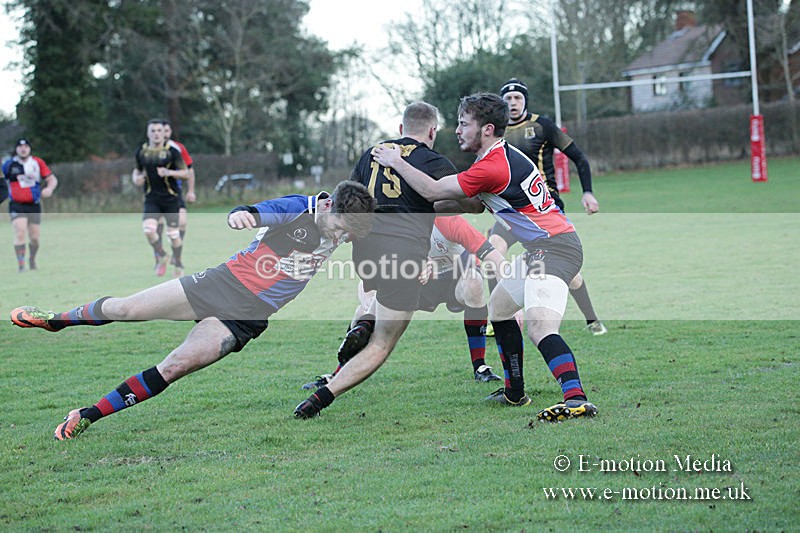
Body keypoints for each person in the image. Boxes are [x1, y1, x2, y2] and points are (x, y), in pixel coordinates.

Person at [9, 181, 376, 440]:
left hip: (244, 317)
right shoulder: (298, 208)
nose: (340, 238)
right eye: (339, 229)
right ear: (328, 206)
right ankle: (56, 320)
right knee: (126, 308)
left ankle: (87, 415)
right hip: (219, 284)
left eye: (346, 234)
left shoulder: (347, 220)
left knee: (174, 367)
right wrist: (243, 215)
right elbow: (260, 211)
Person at [371, 92, 598, 422]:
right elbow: (475, 205)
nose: (457, 130)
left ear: (487, 129)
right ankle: (515, 392)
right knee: (501, 309)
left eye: (464, 124)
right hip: (542, 248)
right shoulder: (495, 158)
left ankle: (576, 399)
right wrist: (420, 208)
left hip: (555, 248)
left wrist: (397, 161)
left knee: (540, 327)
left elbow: (434, 191)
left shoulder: (492, 166)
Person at [293, 101, 481, 419]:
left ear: (401, 128)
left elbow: (349, 200)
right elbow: (471, 203)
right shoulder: (434, 161)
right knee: (382, 344)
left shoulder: (372, 153)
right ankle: (319, 399)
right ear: (432, 131)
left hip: (365, 253)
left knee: (379, 299)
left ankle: (365, 321)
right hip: (406, 257)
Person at [302, 214, 505, 390]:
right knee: (364, 307)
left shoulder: (447, 220)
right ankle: (337, 373)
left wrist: (508, 300)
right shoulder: (397, 224)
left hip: (452, 279)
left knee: (474, 281)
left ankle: (480, 366)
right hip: (412, 280)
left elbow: (483, 255)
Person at [494, 78, 607, 336]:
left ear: (525, 101)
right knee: (494, 248)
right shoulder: (496, 133)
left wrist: (588, 192)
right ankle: (503, 315)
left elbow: (579, 157)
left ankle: (591, 319)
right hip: (512, 210)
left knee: (571, 274)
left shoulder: (542, 125)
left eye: (517, 98)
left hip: (545, 209)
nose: (512, 102)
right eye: (507, 98)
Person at [132, 119, 190, 277]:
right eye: (153, 131)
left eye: (159, 131)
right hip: (152, 199)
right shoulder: (141, 152)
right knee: (149, 231)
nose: (156, 134)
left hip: (171, 199)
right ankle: (162, 255)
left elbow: (185, 173)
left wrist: (169, 172)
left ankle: (178, 262)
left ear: (164, 133)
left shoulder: (172, 152)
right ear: (148, 133)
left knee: (173, 235)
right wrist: (136, 178)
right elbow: (137, 170)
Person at [1, 138, 58, 272]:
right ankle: (21, 265)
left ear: (30, 149)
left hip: (34, 205)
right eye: (20, 147)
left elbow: (52, 179)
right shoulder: (9, 165)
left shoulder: (37, 163)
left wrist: (49, 189)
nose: (23, 149)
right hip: (16, 204)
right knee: (20, 232)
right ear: (16, 149)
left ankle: (32, 259)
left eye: (26, 146)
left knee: (35, 238)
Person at [155, 120, 196, 277]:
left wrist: (191, 191)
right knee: (156, 225)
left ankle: (176, 256)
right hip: (157, 195)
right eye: (160, 131)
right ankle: (159, 256)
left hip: (175, 193)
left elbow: (189, 171)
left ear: (170, 132)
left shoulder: (177, 148)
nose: (163, 134)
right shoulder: (149, 150)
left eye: (166, 131)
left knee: (182, 223)